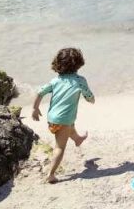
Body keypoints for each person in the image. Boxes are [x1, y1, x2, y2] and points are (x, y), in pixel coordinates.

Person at [32, 47, 95, 183]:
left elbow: (39, 92)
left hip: (52, 118)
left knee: (68, 126)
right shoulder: (80, 80)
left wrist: (35, 109)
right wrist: (91, 99)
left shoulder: (55, 81)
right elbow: (88, 95)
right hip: (63, 120)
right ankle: (51, 174)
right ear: (79, 63)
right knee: (60, 147)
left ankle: (77, 139)